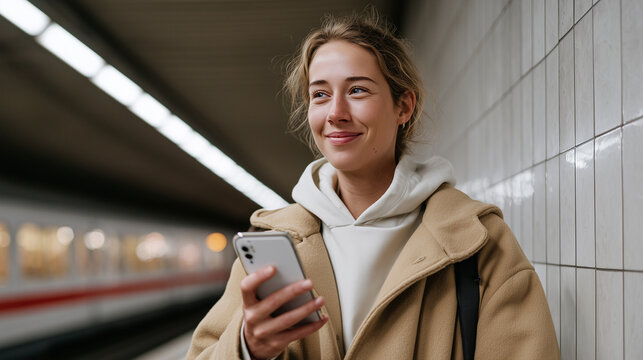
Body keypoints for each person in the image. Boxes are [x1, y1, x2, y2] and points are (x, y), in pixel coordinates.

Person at [187, 10, 560, 360]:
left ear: (404, 107)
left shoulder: (478, 242)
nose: (335, 113)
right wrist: (247, 346)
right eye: (320, 94)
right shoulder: (274, 243)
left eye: (357, 90)